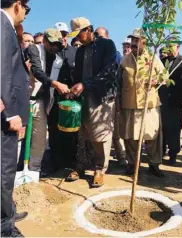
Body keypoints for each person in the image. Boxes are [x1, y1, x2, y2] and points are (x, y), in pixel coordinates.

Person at [69, 17, 117, 187]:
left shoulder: (107, 45)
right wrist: (73, 89)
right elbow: (78, 75)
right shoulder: (80, 51)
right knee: (82, 133)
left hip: (101, 96)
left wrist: (86, 84)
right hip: (83, 96)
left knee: (100, 135)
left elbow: (109, 71)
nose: (77, 38)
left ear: (89, 30)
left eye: (79, 34)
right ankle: (81, 165)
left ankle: (99, 169)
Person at [1, 0, 31, 236]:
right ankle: (4, 227)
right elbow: (3, 71)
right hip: (5, 116)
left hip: (8, 113)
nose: (26, 15)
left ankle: (7, 210)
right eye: (27, 9)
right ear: (18, 5)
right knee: (5, 168)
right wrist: (11, 113)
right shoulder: (3, 25)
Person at [118, 28, 165, 177]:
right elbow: (118, 82)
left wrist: (155, 80)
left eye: (137, 40)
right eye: (132, 40)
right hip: (129, 103)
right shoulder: (124, 60)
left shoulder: (153, 58)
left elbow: (165, 75)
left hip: (149, 104)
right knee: (130, 137)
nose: (133, 43)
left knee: (152, 136)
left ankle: (154, 164)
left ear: (144, 42)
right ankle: (132, 164)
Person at [27, 28, 70, 176]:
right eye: (51, 43)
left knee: (39, 137)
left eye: (56, 44)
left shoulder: (58, 57)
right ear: (44, 40)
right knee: (22, 138)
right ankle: (19, 167)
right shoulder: (34, 49)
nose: (53, 47)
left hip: (42, 101)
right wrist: (55, 84)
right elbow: (38, 72)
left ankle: (34, 170)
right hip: (27, 98)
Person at [45, 22, 77, 173]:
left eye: (64, 34)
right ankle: (54, 162)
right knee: (54, 130)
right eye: (59, 34)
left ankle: (70, 161)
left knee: (71, 131)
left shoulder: (75, 52)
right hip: (54, 99)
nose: (62, 37)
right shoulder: (50, 53)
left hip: (72, 99)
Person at [94, 27, 126, 165]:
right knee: (103, 131)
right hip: (98, 99)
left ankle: (122, 157)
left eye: (101, 36)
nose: (98, 39)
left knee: (116, 131)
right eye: (96, 36)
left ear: (107, 37)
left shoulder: (116, 54)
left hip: (113, 97)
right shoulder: (93, 53)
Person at [159, 40, 182, 165]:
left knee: (173, 129)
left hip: (176, 101)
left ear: (178, 47)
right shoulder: (162, 61)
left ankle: (173, 155)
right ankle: (160, 152)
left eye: (171, 46)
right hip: (161, 100)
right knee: (161, 128)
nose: (169, 48)